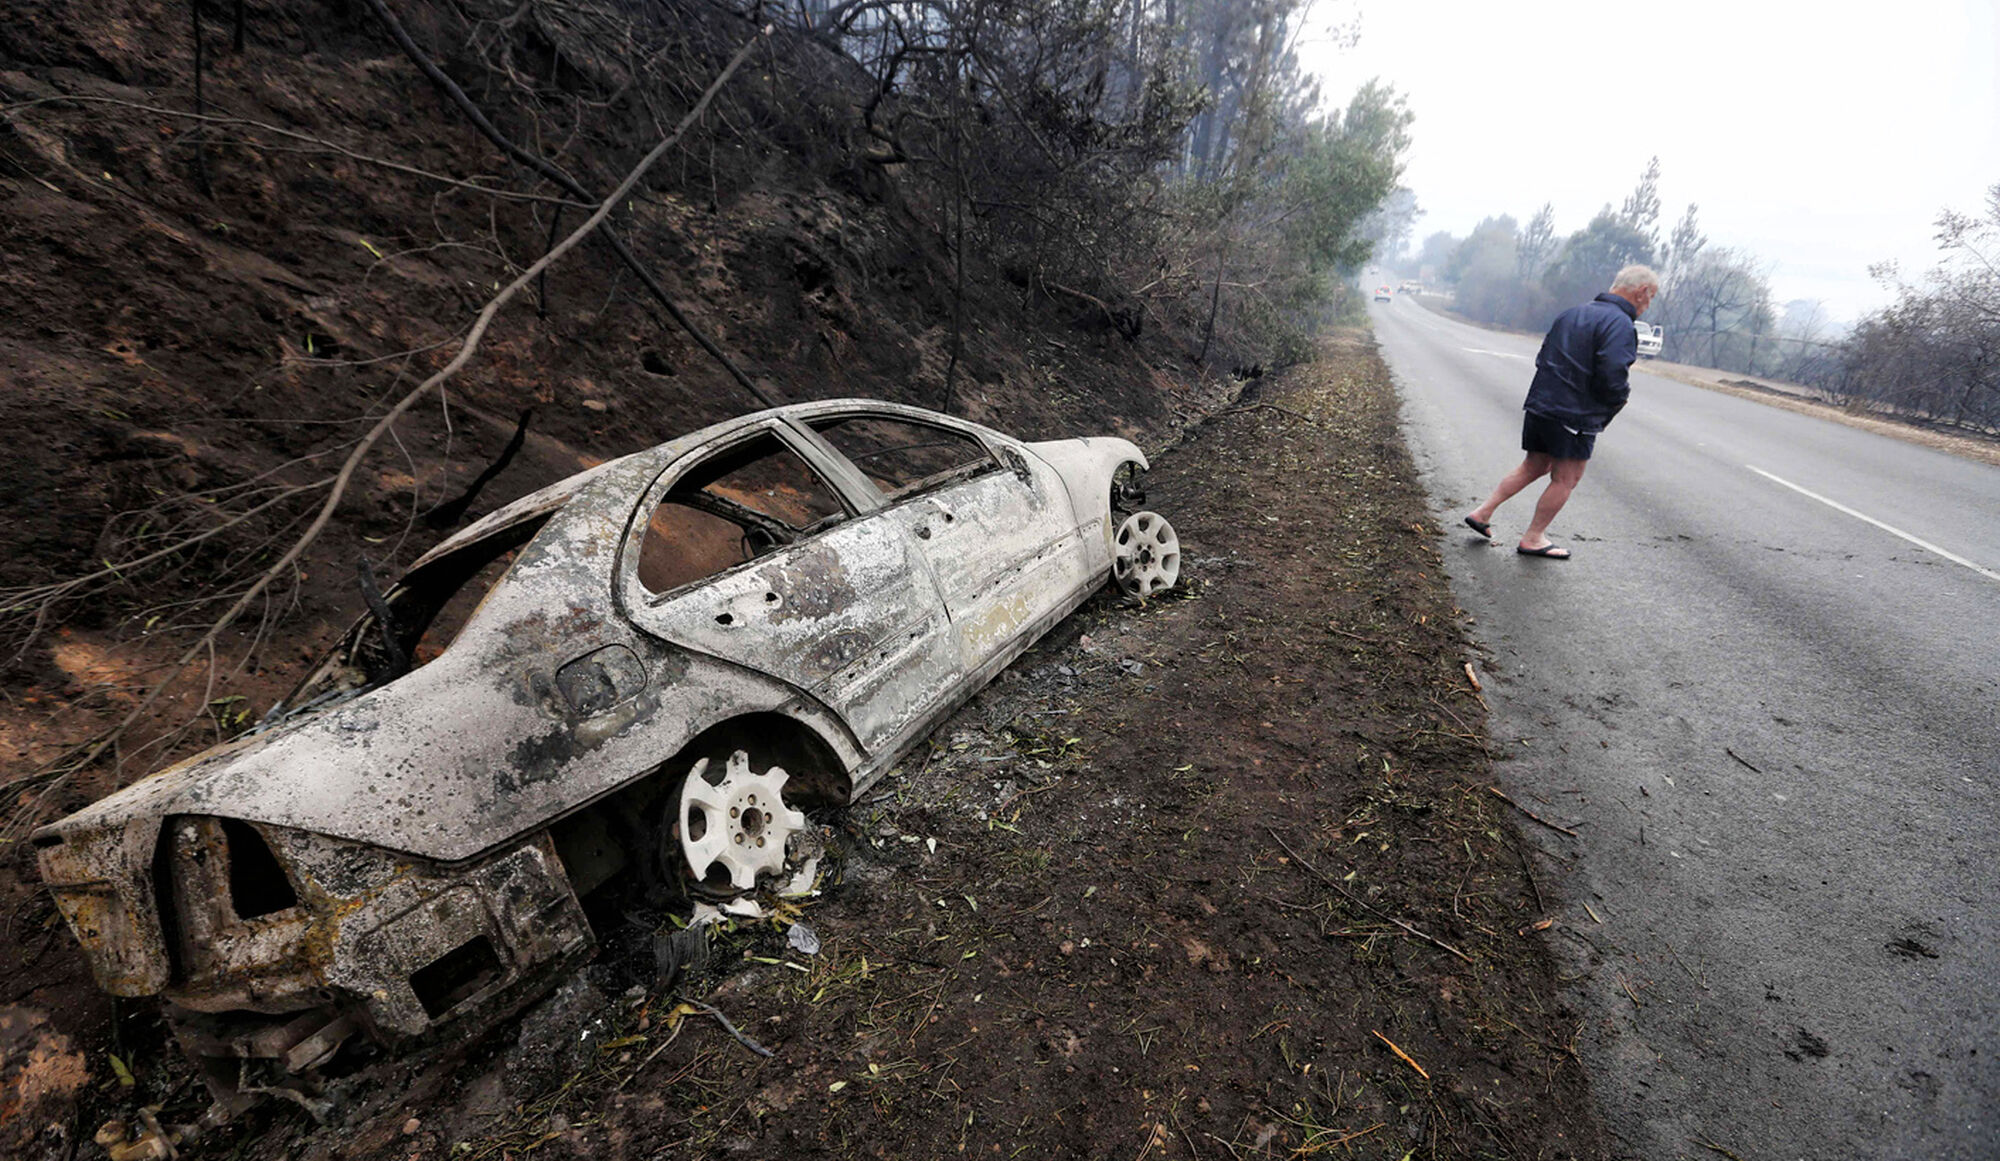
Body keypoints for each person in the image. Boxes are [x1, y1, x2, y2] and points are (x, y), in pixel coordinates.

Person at [1462, 264, 1659, 560]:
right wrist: (1615, 403)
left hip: (1541, 403)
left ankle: (1482, 512)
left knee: (1534, 465)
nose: (1649, 304)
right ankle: (1533, 538)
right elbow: (1612, 375)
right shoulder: (1619, 324)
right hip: (1574, 415)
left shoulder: (1572, 313)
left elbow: (1543, 355)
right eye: (1651, 296)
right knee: (1566, 477)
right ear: (1642, 291)